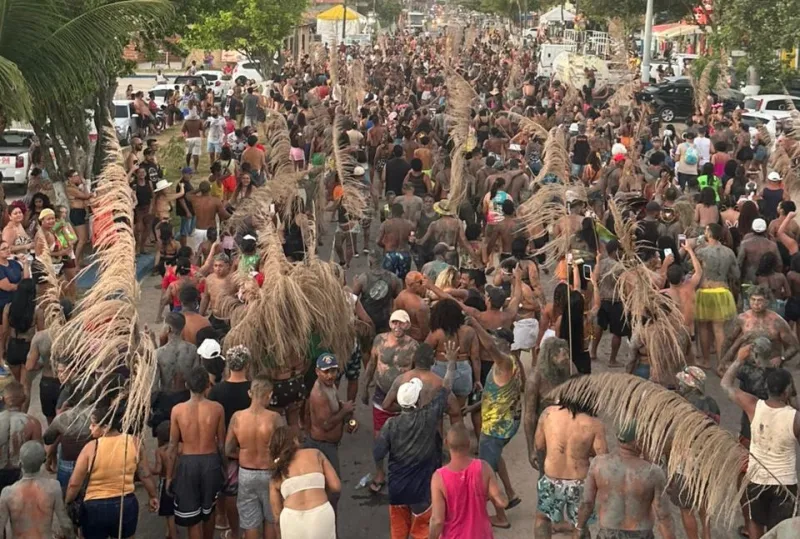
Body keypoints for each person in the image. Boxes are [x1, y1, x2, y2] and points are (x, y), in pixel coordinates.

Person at [722, 349, 799, 538]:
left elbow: (725, 384)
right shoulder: (795, 418)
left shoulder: (753, 406)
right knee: (781, 531)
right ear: (787, 391)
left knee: (755, 525)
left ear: (767, 387)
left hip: (756, 480)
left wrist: (738, 359)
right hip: (784, 484)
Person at [374, 367, 455, 539]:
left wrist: (380, 472)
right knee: (422, 533)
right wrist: (451, 362)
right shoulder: (429, 416)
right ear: (417, 400)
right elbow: (446, 387)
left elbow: (378, 452)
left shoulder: (390, 425)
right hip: (421, 492)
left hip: (397, 491)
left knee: (399, 533)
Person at [66, 405, 159, 539]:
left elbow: (74, 484)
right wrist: (153, 496)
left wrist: (68, 501)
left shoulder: (91, 448)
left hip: (94, 508)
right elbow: (145, 475)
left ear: (105, 427)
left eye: (94, 424)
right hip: (125, 505)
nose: (90, 428)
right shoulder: (134, 442)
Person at [575, 424, 675, 539]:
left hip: (608, 534)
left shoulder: (598, 464)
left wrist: (580, 528)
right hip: (641, 535)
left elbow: (587, 503)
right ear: (639, 441)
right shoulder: (653, 472)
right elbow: (663, 515)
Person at [470, 319, 522, 529]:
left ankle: (500, 516)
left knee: (485, 473)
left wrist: (474, 324)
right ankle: (510, 493)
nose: (491, 340)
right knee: (495, 456)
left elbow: (490, 346)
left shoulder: (504, 362)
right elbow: (496, 393)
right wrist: (474, 408)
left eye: (496, 338)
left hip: (496, 426)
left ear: (506, 344)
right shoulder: (508, 362)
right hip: (505, 422)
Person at [362, 309, 419, 493]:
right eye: (394, 322)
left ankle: (402, 473)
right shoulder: (380, 340)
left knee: (403, 439)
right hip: (381, 397)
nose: (397, 326)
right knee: (379, 438)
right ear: (389, 323)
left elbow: (418, 372)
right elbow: (372, 363)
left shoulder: (413, 346)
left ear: (408, 325)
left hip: (404, 400)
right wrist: (364, 387)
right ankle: (380, 473)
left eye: (401, 322)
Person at [534, 397, 608, 538]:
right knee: (580, 525)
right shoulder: (594, 424)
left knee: (543, 518)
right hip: (579, 482)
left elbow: (539, 445)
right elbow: (602, 457)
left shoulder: (548, 414)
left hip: (552, 478)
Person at [168, 366, 226, 539]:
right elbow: (221, 444)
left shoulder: (177, 410)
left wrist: (169, 476)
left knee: (192, 515)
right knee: (209, 509)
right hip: (211, 461)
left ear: (187, 385)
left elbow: (172, 446)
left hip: (188, 463)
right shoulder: (217, 408)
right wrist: (224, 467)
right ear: (208, 385)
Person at [226, 374, 284, 539]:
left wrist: (244, 452)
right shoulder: (274, 418)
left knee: (250, 522)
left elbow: (228, 449)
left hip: (246, 473)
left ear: (249, 393)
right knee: (271, 518)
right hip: (270, 472)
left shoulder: (237, 417)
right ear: (270, 395)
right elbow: (285, 448)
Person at [429, 424, 506, 539]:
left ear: (446, 443)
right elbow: (501, 501)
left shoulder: (439, 478)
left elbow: (437, 520)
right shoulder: (484, 467)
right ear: (469, 444)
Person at [209, 345, 254, 538]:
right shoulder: (253, 390)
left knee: (229, 492)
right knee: (252, 493)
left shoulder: (217, 391)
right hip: (251, 446)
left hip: (227, 449)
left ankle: (233, 529)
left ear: (228, 365)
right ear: (247, 364)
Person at [671, 366, 719, 539]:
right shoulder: (712, 403)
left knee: (686, 508)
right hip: (707, 458)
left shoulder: (682, 406)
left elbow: (674, 435)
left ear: (689, 385)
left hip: (685, 462)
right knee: (703, 501)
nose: (679, 385)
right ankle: (707, 535)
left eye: (682, 383)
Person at [269, 425, 339, 539]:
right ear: (295, 440)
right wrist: (321, 494)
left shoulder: (277, 473)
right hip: (321, 514)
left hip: (292, 520)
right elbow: (336, 486)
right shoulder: (315, 454)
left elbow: (277, 516)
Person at [0, 440, 73, 538]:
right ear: (43, 461)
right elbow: (65, 524)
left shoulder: (8, 493)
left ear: (20, 463)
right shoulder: (53, 487)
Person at [695, 223, 740, 370]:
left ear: (709, 233)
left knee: (704, 327)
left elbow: (692, 270)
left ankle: (706, 361)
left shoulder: (702, 252)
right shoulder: (729, 252)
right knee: (719, 329)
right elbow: (736, 275)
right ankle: (721, 364)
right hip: (722, 292)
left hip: (705, 292)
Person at [524, 337, 572, 468]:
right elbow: (529, 416)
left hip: (568, 430)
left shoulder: (569, 368)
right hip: (546, 434)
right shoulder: (535, 380)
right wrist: (531, 449)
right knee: (547, 470)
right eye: (563, 356)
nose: (567, 359)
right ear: (551, 357)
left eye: (567, 355)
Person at [0, 381, 41, 493]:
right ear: (24, 399)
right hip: (21, 473)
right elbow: (37, 453)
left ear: (3, 399)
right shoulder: (32, 423)